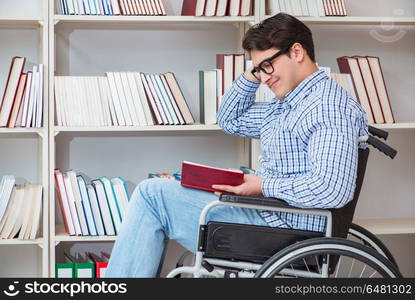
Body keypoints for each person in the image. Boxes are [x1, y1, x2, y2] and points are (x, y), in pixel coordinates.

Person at [105, 13, 368, 278]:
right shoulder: (288, 103)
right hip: (269, 217)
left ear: (297, 52)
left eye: (268, 65)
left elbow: (332, 188)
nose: (264, 77)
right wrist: (253, 72)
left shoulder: (327, 107)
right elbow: (230, 120)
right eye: (258, 69)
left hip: (284, 230)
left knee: (152, 195)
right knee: (163, 187)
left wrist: (262, 185)